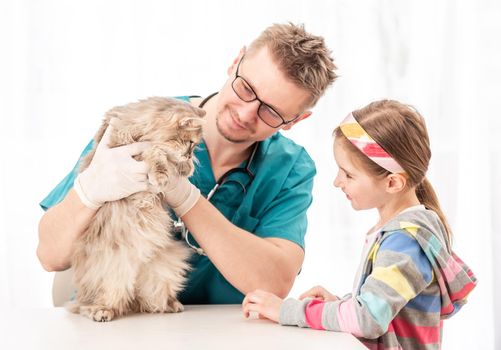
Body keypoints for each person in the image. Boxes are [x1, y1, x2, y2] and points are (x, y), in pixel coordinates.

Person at [37, 23, 338, 304]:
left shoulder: (289, 168)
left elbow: (274, 282)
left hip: (216, 333)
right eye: (246, 88)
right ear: (235, 63)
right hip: (115, 320)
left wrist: (185, 198)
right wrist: (91, 191)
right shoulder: (145, 120)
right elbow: (49, 255)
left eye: (271, 111)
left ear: (296, 120)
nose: (246, 114)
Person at [242, 100, 477, 349]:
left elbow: (369, 320)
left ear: (393, 183)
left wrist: (288, 311)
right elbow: (383, 309)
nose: (337, 181)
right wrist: (337, 304)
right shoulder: (404, 232)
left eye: (348, 174)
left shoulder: (405, 241)